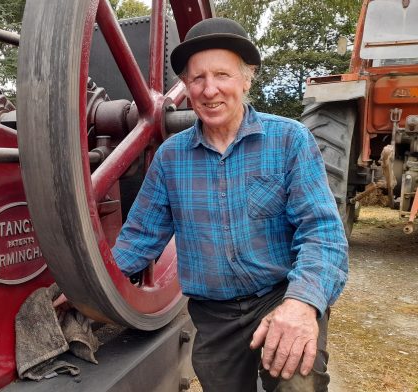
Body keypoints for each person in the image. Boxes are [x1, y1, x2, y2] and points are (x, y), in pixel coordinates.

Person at [112, 17, 348, 391]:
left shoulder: (290, 140)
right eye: (197, 79)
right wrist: (84, 290)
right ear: (185, 87)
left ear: (247, 78)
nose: (209, 90)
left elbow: (322, 233)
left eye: (222, 74)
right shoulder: (171, 157)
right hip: (214, 315)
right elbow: (139, 237)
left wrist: (302, 304)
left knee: (298, 383)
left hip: (279, 297)